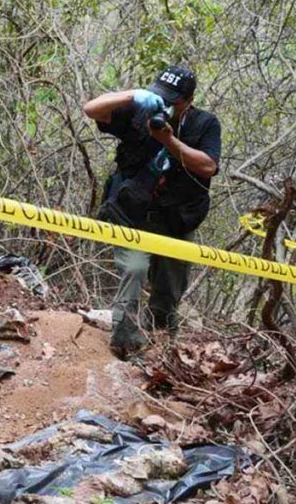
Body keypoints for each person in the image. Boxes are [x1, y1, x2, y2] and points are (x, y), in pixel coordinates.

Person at [83, 65, 221, 359]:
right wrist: (133, 96)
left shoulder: (205, 124)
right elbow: (91, 109)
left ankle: (160, 346)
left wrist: (168, 140)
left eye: (173, 100)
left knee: (169, 289)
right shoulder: (141, 110)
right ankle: (126, 343)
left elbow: (208, 166)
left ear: (189, 100)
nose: (166, 104)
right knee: (134, 269)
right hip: (131, 214)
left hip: (176, 220)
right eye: (161, 95)